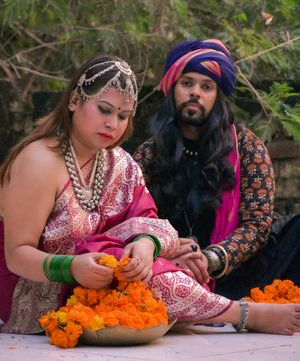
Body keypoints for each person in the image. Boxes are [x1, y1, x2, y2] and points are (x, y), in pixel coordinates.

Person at [0, 55, 299, 337]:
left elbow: (148, 220)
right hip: (35, 287)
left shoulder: (118, 162)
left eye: (123, 115)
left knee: (171, 260)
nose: (112, 124)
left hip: (99, 275)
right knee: (151, 272)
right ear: (74, 100)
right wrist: (71, 268)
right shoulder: (39, 161)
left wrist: (146, 245)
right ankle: (244, 314)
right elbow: (16, 255)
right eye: (104, 109)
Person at [133, 39, 300, 300]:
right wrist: (172, 251)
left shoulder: (247, 148)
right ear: (172, 89)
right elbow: (132, 220)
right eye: (187, 83)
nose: (195, 93)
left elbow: (257, 225)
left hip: (240, 272)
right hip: (166, 267)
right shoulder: (149, 153)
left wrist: (210, 259)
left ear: (217, 96)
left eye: (206, 87)